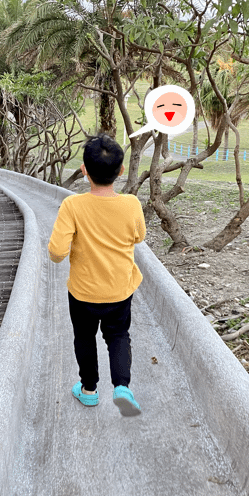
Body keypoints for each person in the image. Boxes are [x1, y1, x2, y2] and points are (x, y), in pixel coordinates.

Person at [48, 133, 146, 416]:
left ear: (84, 171)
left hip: (82, 292)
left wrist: (57, 255)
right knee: (117, 335)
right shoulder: (131, 204)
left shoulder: (73, 206)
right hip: (119, 289)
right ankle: (122, 387)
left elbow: (57, 252)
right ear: (121, 170)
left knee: (84, 337)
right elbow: (139, 236)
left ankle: (89, 391)